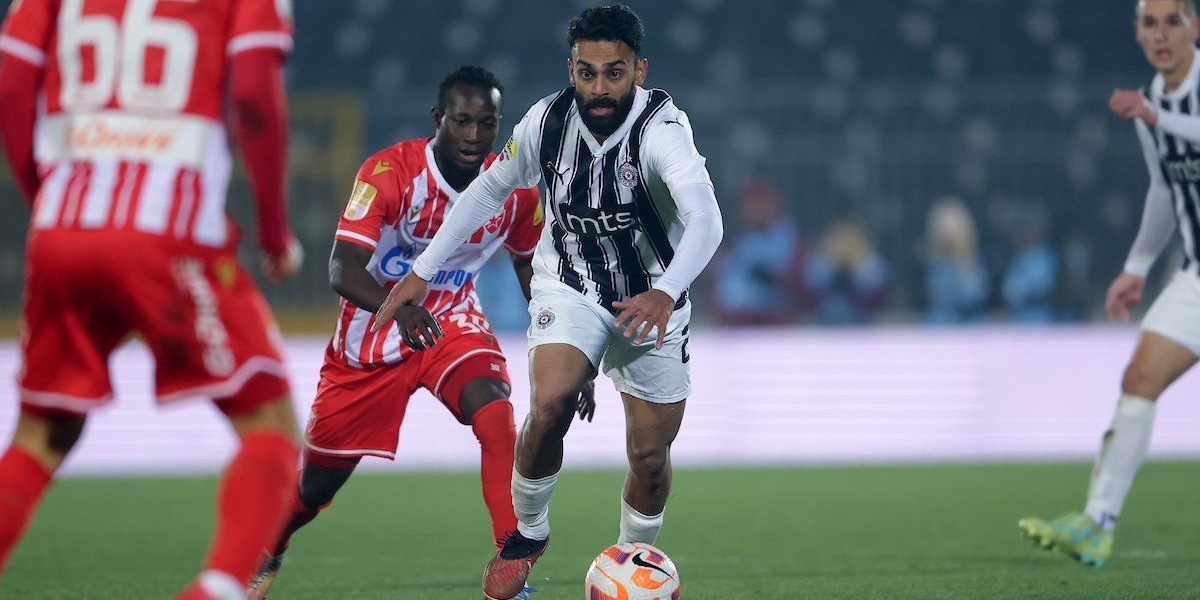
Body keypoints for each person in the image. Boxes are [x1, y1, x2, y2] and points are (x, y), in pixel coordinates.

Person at [373, 6, 724, 599]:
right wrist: (422, 272)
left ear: (639, 71)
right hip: (569, 284)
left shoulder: (663, 131)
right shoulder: (546, 121)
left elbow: (707, 221)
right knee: (552, 400)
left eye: (614, 73)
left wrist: (666, 291)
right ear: (571, 69)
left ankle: (631, 559)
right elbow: (490, 188)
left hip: (652, 299)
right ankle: (528, 533)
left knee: (650, 457)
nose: (599, 88)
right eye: (587, 73)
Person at [246, 66, 591, 600]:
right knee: (315, 485)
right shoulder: (390, 172)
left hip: (450, 319)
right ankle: (269, 546)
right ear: (438, 119)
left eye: (486, 123)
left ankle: (512, 566)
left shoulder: (517, 189)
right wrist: (400, 308)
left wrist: (569, 347)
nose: (474, 135)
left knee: (495, 411)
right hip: (371, 334)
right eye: (462, 121)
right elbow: (341, 267)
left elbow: (530, 266)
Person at [0, 0, 304, 598]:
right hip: (169, 228)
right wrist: (273, 230)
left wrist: (48, 199)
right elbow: (252, 95)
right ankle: (217, 589)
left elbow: (11, 82)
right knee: (270, 423)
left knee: (42, 435)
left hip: (63, 224)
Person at [1019, 0, 1200, 567]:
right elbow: (1164, 189)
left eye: (1173, 21)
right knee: (1140, 378)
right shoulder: (1152, 101)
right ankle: (1096, 524)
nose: (1161, 34)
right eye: (1149, 23)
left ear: (1196, 27)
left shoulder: (1157, 108)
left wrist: (1153, 116)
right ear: (1137, 33)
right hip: (1197, 276)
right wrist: (1138, 266)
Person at [712, 178, 804, 325]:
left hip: (772, 315)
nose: (754, 209)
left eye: (760, 203)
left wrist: (769, 277)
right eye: (750, 204)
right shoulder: (745, 239)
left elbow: (792, 282)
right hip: (737, 317)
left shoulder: (788, 237)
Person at [802, 218, 889, 325]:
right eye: (840, 242)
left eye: (849, 243)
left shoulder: (872, 265)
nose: (844, 248)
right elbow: (810, 293)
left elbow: (877, 297)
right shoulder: (819, 264)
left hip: (864, 327)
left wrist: (856, 269)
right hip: (825, 325)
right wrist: (834, 267)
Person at [922, 196, 991, 324]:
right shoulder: (935, 265)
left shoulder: (976, 264)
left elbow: (973, 297)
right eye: (940, 226)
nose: (944, 232)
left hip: (969, 328)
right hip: (940, 326)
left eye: (948, 225)